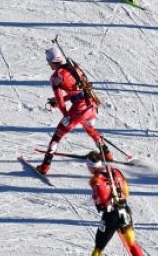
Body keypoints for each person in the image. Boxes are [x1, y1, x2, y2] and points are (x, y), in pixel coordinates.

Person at [81, 151, 152, 256]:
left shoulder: (95, 180)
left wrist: (97, 201)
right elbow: (126, 191)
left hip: (110, 216)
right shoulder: (116, 171)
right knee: (131, 242)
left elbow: (101, 202)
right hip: (125, 211)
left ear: (91, 166)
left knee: (99, 247)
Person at [36, 47, 111, 175]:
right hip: (91, 105)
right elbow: (78, 90)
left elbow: (59, 100)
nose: (48, 64)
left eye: (48, 61)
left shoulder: (55, 77)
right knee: (90, 129)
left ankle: (45, 166)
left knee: (57, 135)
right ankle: (106, 153)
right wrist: (64, 99)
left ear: (52, 61)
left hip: (79, 110)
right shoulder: (74, 68)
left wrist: (66, 116)